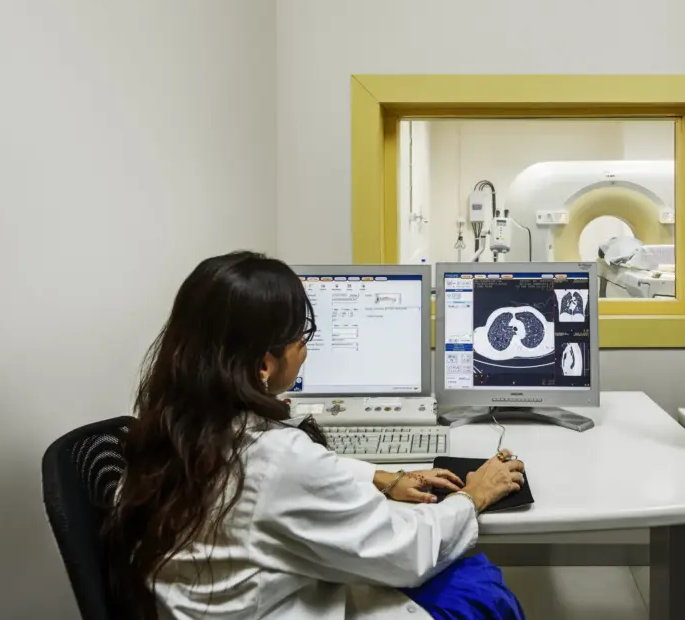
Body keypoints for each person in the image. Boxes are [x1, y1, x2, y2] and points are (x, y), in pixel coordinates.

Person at [104, 251, 527, 620]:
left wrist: (381, 477)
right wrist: (474, 496)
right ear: (263, 365)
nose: (305, 349)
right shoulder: (274, 462)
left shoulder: (165, 433)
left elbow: (277, 480)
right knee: (478, 586)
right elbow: (405, 553)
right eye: (300, 337)